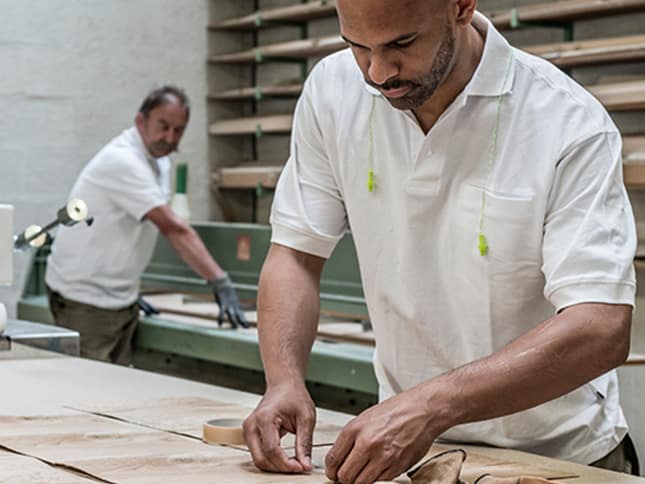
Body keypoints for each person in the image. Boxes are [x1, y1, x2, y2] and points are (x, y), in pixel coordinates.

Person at [242, 0, 640, 481]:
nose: (377, 72)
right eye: (357, 46)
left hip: (555, 457)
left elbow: (601, 327)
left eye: (401, 44)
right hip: (412, 459)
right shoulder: (333, 92)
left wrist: (431, 405)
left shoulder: (566, 121)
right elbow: (295, 254)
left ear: (461, 6)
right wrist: (284, 378)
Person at [45, 85, 247, 365]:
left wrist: (127, 288)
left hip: (118, 298)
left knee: (115, 388)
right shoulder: (123, 160)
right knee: (90, 392)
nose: (170, 137)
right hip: (86, 301)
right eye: (163, 126)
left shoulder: (158, 162)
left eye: (179, 130)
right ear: (141, 121)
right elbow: (173, 228)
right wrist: (219, 281)